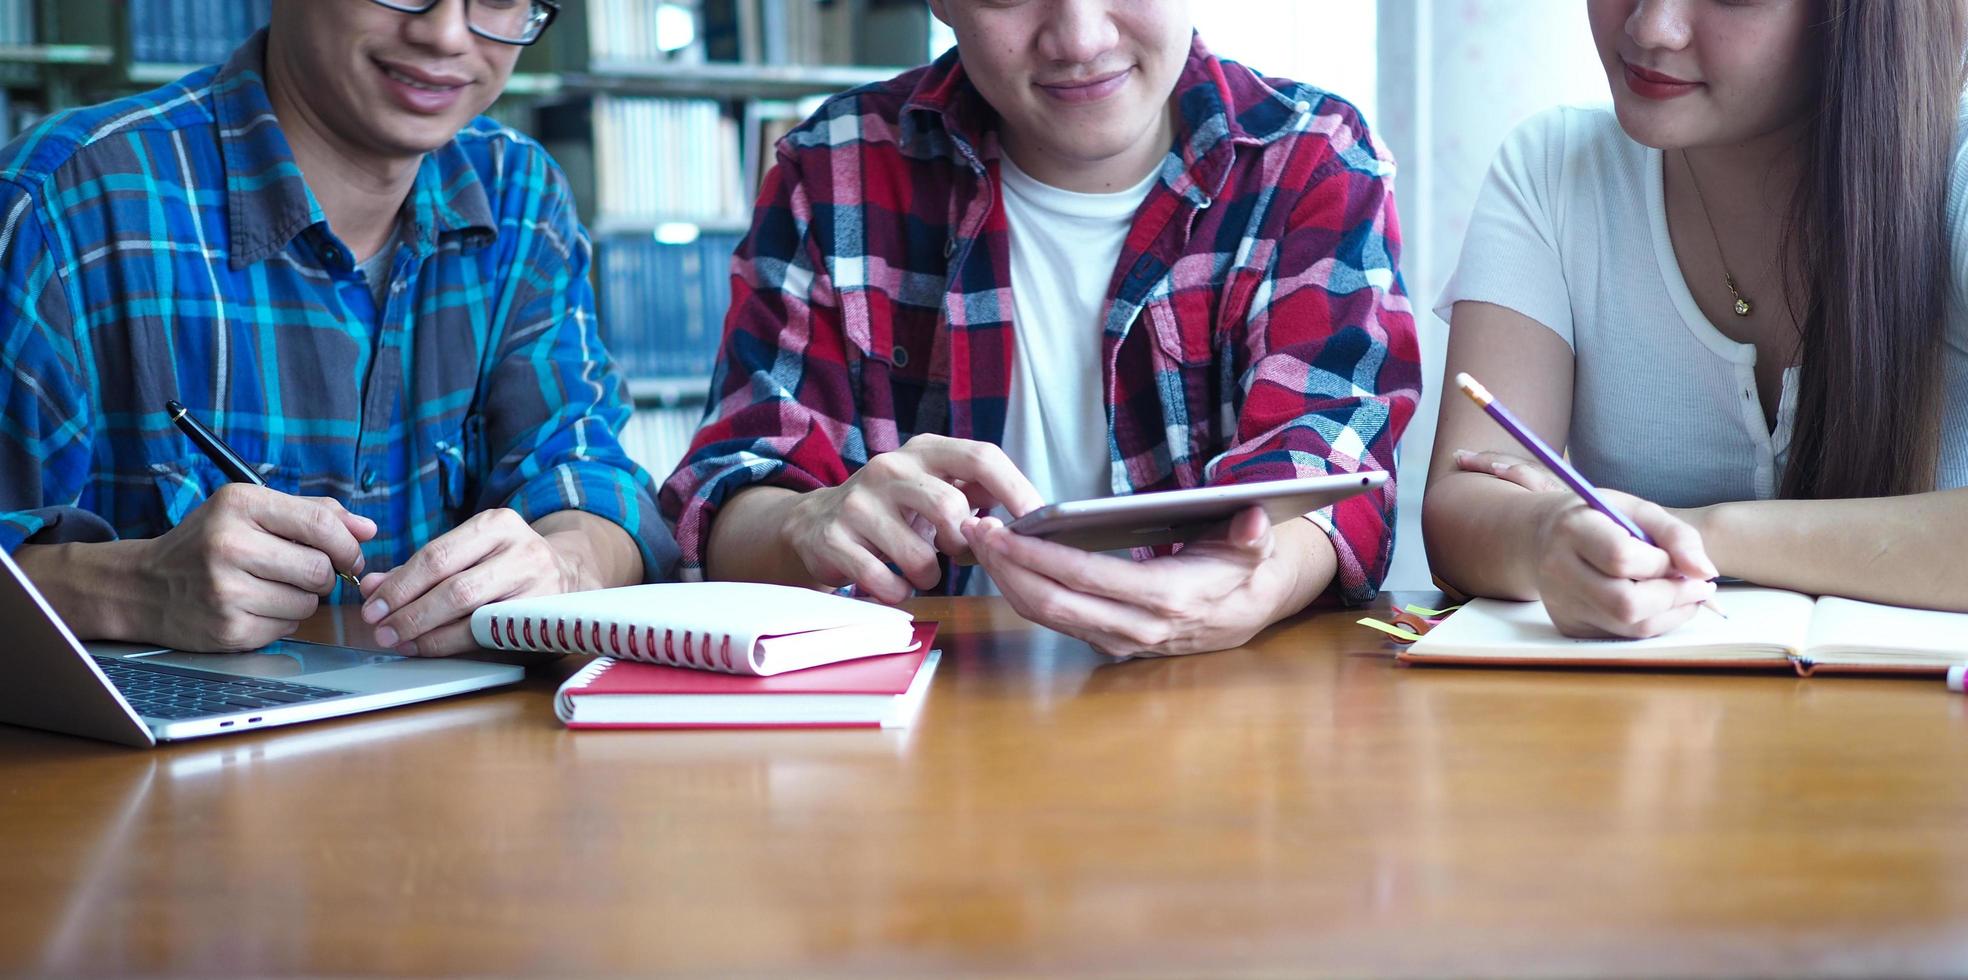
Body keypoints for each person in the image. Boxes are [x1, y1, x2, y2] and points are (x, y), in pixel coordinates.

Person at [660, 0, 1420, 657]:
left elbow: (1331, 468)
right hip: (914, 731)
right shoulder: (832, 170)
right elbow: (726, 496)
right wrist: (805, 522)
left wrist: (1256, 578)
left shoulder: (1313, 156)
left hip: (1231, 713)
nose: (1080, 38)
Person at [0, 0, 676, 657]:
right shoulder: (60, 203)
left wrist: (562, 565)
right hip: (137, 768)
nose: (445, 34)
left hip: (455, 755)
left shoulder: (519, 191)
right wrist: (130, 588)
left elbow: (587, 468)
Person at [1423, 0, 1968, 637]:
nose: (1651, 28)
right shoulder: (1553, 169)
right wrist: (1551, 534)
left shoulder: (1954, 175)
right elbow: (1462, 503)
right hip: (1654, 725)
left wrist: (1701, 532)